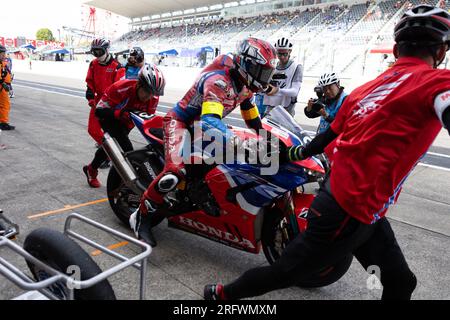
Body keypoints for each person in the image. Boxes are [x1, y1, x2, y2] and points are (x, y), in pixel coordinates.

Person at [204, 5, 450, 300]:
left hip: (356, 205)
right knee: (286, 272)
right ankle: (220, 295)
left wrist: (288, 155)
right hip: (350, 211)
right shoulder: (438, 82)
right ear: (441, 51)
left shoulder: (363, 90)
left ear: (396, 49)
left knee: (400, 282)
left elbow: (318, 143)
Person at [130, 38, 277, 247]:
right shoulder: (219, 81)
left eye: (266, 73)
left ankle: (198, 190)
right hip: (181, 122)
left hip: (201, 127)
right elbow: (209, 121)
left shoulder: (245, 85)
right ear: (246, 65)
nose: (264, 78)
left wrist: (269, 139)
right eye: (261, 72)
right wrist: (240, 143)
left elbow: (252, 117)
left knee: (227, 160)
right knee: (174, 173)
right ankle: (141, 216)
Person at [83, 64, 165, 188]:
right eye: (147, 92)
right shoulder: (120, 88)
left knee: (111, 145)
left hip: (126, 121)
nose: (149, 97)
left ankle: (91, 169)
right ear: (139, 84)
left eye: (153, 93)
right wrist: (118, 113)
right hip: (108, 117)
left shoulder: (153, 97)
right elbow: (99, 111)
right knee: (127, 149)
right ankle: (126, 183)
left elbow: (148, 120)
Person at [83, 38, 125, 185]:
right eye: (94, 51)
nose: (97, 54)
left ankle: (106, 156)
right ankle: (108, 152)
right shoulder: (93, 64)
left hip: (111, 104)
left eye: (99, 51)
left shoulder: (117, 67)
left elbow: (119, 89)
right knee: (93, 130)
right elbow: (90, 82)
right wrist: (90, 94)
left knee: (114, 137)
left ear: (107, 50)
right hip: (98, 101)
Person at [259, 37, 303, 117]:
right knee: (263, 129)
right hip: (269, 109)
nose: (282, 57)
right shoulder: (272, 66)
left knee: (284, 129)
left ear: (290, 51)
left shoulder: (297, 67)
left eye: (285, 54)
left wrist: (277, 90)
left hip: (286, 111)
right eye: (279, 54)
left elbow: (294, 92)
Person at [0, 45, 14, 131]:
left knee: (5, 105)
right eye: (2, 54)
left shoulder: (2, 63)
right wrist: (4, 84)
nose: (4, 56)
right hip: (2, 87)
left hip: (3, 86)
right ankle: (3, 123)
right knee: (5, 105)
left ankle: (3, 122)